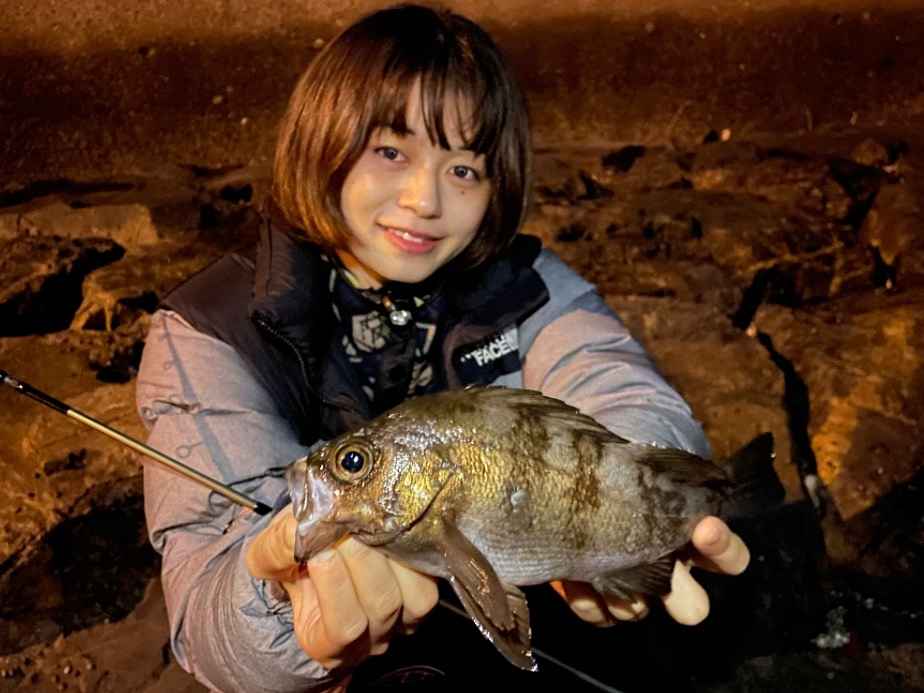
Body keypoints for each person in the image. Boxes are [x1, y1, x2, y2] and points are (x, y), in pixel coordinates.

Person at [136, 4, 751, 692]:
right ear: (319, 143)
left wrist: (635, 498)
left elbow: (620, 386)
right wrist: (279, 604)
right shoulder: (207, 329)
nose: (425, 199)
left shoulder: (533, 289)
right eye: (391, 152)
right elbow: (204, 611)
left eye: (464, 169)